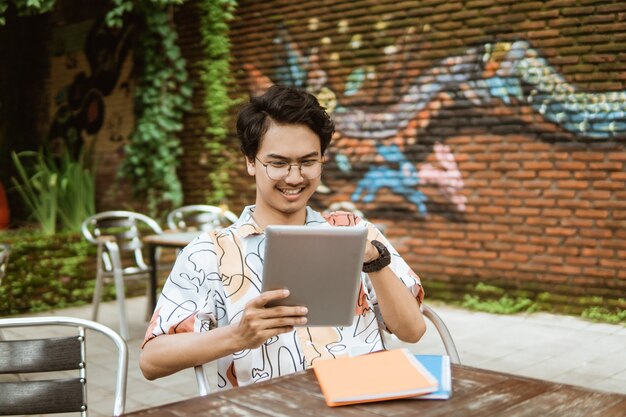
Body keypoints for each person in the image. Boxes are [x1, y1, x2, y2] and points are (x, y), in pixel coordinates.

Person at [140, 85, 426, 389]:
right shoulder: (209, 253)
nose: (294, 177)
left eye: (308, 161)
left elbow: (412, 331)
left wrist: (374, 260)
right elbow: (151, 361)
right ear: (251, 161)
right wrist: (237, 336)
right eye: (278, 163)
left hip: (365, 399)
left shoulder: (357, 231)